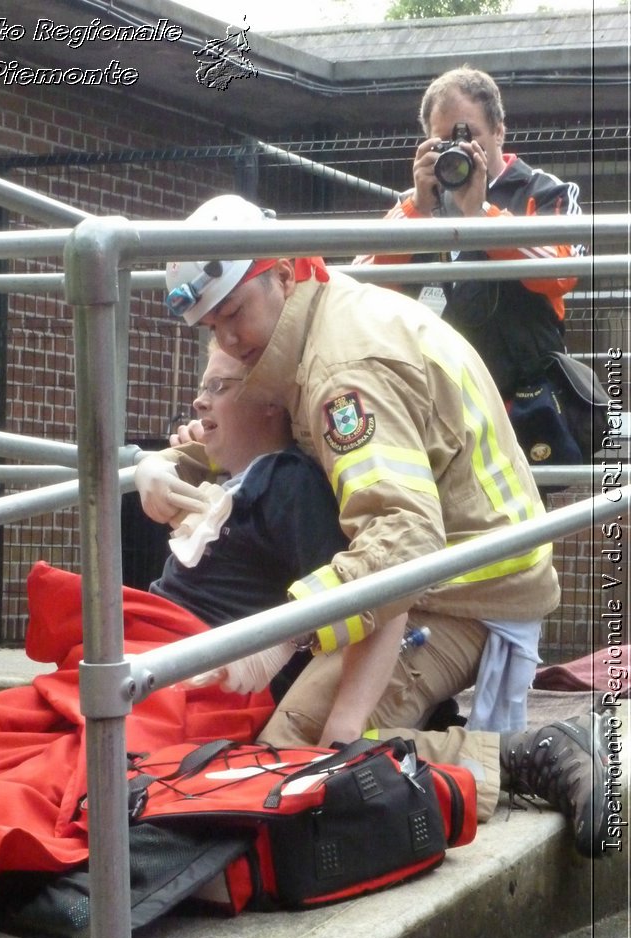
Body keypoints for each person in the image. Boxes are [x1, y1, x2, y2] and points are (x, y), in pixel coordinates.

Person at [147, 192, 609, 857]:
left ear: (280, 274)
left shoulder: (343, 375)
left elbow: (401, 538)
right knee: (311, 739)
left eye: (233, 316)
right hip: (446, 568)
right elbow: (248, 412)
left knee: (295, 752)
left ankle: (530, 753)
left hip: (462, 591)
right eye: (211, 327)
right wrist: (170, 462)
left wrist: (281, 637)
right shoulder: (316, 315)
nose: (227, 341)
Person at [0, 348, 349, 935]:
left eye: (223, 386)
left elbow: (350, 598)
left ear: (273, 407)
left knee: (58, 778)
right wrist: (171, 460)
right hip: (143, 657)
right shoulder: (232, 477)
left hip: (195, 681)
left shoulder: (291, 481)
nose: (201, 400)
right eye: (200, 386)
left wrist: (293, 676)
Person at [353, 66, 583, 403]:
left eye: (469, 135)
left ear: (499, 132)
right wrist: (417, 207)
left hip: (524, 399)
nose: (458, 148)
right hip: (434, 398)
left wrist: (482, 214)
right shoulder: (413, 203)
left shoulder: (545, 190)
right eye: (444, 139)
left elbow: (562, 272)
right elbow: (362, 283)